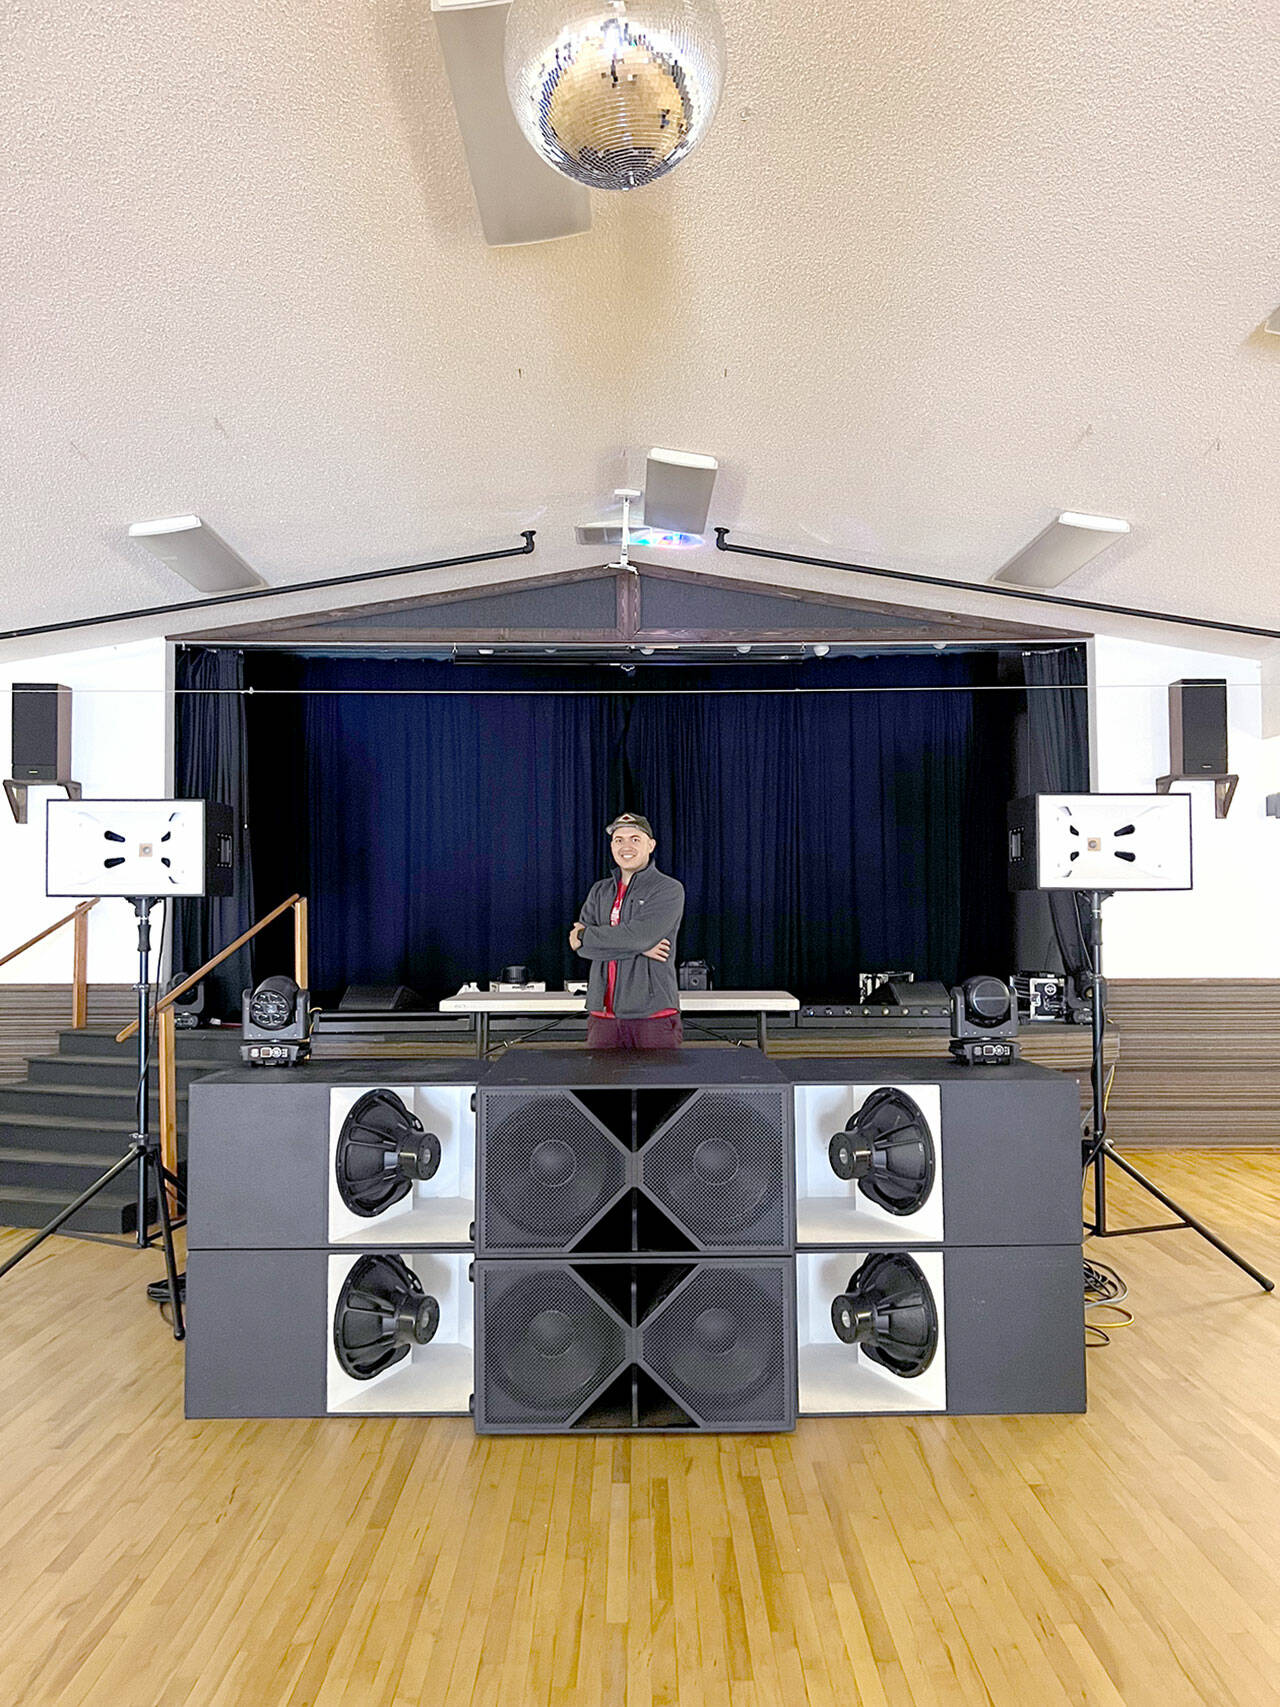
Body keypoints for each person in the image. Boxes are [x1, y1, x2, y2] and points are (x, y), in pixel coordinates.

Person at [569, 812, 685, 1049]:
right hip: (602, 1017)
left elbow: (639, 936)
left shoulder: (668, 889)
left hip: (653, 1016)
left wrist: (587, 936)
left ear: (650, 845)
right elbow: (579, 947)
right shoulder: (599, 891)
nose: (626, 846)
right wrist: (641, 948)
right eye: (619, 840)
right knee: (602, 1086)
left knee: (658, 1086)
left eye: (635, 839)